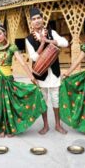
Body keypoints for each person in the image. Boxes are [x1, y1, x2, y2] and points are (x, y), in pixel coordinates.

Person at [26, 7, 68, 135]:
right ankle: (45, 126)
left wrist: (49, 40)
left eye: (39, 18)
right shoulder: (28, 39)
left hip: (54, 72)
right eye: (34, 19)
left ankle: (57, 125)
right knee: (43, 100)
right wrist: (43, 44)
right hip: (40, 74)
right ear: (31, 22)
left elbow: (65, 43)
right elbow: (33, 57)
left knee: (56, 98)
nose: (37, 21)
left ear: (42, 19)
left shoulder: (51, 32)